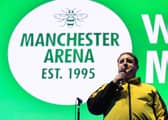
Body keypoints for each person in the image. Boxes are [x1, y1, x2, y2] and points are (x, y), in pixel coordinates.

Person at [87, 52, 167, 120]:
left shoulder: (150, 89)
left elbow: (162, 115)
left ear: (136, 67)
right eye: (121, 61)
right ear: (118, 67)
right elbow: (94, 108)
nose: (125, 63)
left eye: (129, 61)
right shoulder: (107, 87)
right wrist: (113, 84)